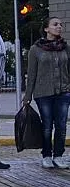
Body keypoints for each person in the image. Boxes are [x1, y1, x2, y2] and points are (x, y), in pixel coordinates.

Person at [23, 17, 70, 168]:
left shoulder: (65, 47)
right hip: (43, 93)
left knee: (61, 126)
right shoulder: (35, 49)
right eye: (55, 24)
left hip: (63, 92)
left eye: (61, 25)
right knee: (47, 126)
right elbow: (32, 74)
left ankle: (58, 156)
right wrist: (27, 96)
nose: (59, 27)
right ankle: (47, 155)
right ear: (46, 29)